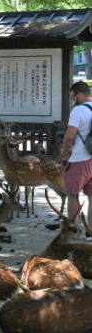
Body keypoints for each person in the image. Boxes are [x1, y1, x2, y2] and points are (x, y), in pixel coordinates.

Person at [62, 80, 92, 240]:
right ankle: (91, 232)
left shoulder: (78, 110)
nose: (73, 100)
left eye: (74, 97)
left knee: (72, 193)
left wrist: (64, 149)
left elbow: (70, 135)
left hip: (80, 158)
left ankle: (73, 228)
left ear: (80, 94)